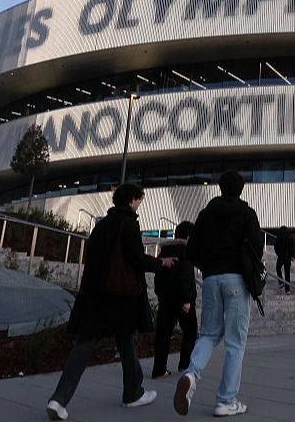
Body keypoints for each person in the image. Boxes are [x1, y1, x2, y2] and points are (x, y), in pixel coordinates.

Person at [46, 183, 176, 421]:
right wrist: (161, 264)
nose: (139, 204)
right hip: (121, 295)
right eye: (139, 200)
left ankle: (59, 399)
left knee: (86, 344)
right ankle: (133, 394)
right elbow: (135, 258)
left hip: (95, 293)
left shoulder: (101, 225)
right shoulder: (129, 223)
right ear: (132, 200)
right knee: (126, 340)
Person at [174, 171, 262, 418]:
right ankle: (226, 400)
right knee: (235, 342)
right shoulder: (247, 213)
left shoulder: (205, 214)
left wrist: (208, 267)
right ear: (241, 189)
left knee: (209, 334)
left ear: (220, 188)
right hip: (236, 280)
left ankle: (192, 373)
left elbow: (191, 251)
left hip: (211, 279)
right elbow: (257, 247)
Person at [151, 221, 198, 380]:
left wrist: (160, 294)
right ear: (189, 236)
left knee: (163, 335)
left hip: (165, 299)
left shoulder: (165, 250)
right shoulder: (186, 251)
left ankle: (159, 369)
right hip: (182, 301)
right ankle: (185, 364)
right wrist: (187, 299)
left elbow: (159, 276)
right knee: (191, 332)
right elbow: (185, 277)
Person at [273, 226, 295, 294]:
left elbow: (275, 246)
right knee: (287, 273)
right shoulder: (290, 237)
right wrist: (293, 256)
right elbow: (294, 247)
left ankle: (281, 282)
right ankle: (287, 290)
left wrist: (278, 254)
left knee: (278, 268)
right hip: (288, 257)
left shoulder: (279, 237)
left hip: (281, 256)